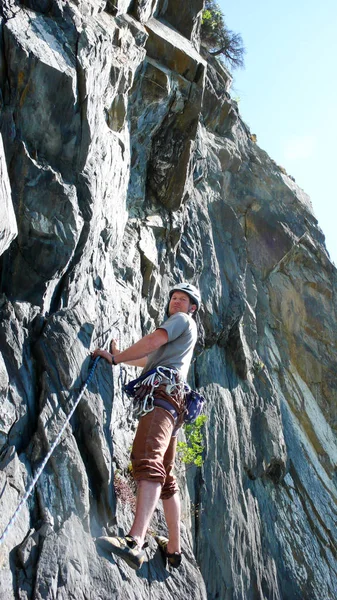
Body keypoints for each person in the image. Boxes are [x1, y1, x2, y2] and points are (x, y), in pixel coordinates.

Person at [92, 282, 201, 570]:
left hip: (161, 401)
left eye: (183, 299)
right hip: (173, 407)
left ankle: (135, 542)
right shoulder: (183, 335)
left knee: (147, 460)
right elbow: (148, 358)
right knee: (165, 475)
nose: (176, 302)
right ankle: (174, 550)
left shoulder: (180, 321)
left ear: (192, 308)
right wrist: (122, 356)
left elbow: (153, 341)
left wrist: (114, 357)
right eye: (173, 297)